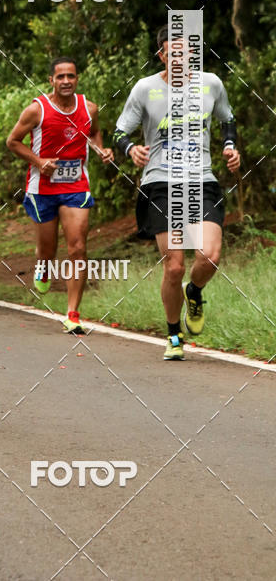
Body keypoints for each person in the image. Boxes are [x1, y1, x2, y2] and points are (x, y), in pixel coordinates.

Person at [113, 25, 240, 360]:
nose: (180, 60)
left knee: (209, 256)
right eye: (173, 54)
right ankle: (173, 335)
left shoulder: (211, 84)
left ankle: (194, 292)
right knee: (174, 266)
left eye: (186, 53)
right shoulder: (145, 89)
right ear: (162, 56)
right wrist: (131, 149)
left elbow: (228, 119)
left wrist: (229, 146)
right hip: (160, 183)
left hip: (201, 180)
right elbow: (119, 132)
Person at [6, 57, 113, 333]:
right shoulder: (36, 110)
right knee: (47, 250)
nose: (66, 81)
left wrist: (100, 149)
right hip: (42, 189)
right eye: (61, 77)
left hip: (76, 186)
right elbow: (13, 141)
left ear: (77, 79)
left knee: (77, 247)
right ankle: (43, 266)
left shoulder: (89, 108)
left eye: (71, 76)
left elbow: (94, 133)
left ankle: (73, 314)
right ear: (51, 80)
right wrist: (39, 161)